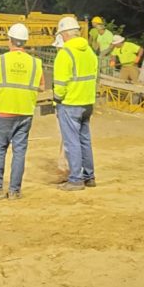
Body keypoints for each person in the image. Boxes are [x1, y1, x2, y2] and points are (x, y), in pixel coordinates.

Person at [0, 23, 45, 201]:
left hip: (4, 113)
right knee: (19, 152)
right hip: (25, 112)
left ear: (10, 41)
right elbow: (42, 87)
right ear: (25, 42)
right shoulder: (36, 63)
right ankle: (15, 190)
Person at [53, 16, 99, 191]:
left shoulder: (65, 54)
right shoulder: (89, 52)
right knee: (85, 140)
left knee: (71, 142)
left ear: (65, 34)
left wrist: (57, 98)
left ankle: (76, 180)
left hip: (70, 103)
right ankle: (89, 176)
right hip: (87, 102)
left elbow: (61, 83)